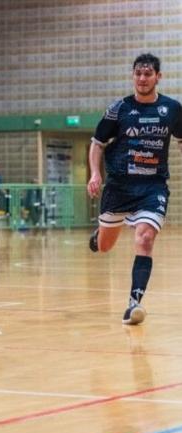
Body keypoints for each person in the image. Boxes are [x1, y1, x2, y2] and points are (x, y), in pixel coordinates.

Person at [87, 53, 182, 325]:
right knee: (105, 247)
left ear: (158, 77)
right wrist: (95, 173)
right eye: (138, 74)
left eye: (148, 74)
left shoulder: (172, 109)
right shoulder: (119, 109)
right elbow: (97, 143)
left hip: (153, 187)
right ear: (133, 76)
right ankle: (98, 236)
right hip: (119, 187)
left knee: (145, 238)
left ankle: (134, 304)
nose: (142, 78)